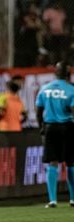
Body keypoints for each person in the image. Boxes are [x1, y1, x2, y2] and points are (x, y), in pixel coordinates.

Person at [35, 62, 74, 208]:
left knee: (52, 162)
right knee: (71, 162)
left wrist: (41, 128)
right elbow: (73, 109)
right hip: (68, 127)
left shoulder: (45, 89)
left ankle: (52, 200)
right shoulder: (71, 89)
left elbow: (39, 111)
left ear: (55, 73)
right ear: (68, 73)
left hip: (50, 127)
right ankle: (72, 199)